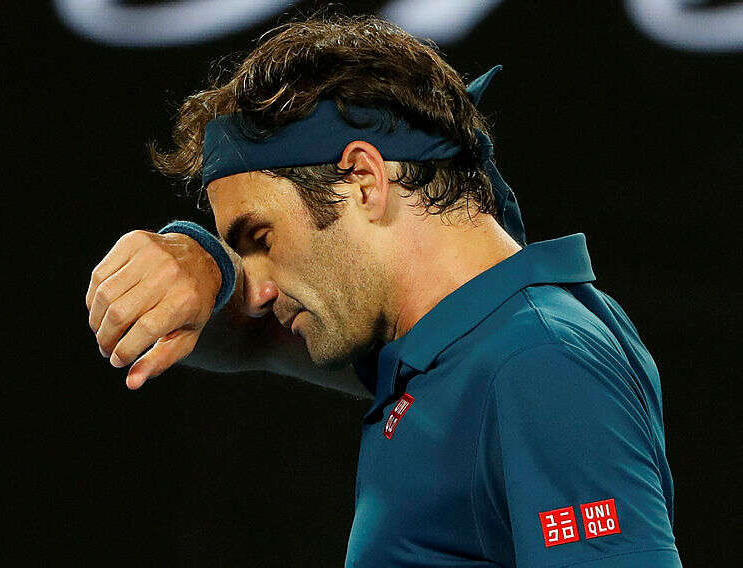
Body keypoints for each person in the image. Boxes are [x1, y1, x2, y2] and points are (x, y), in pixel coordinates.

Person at [85, 14, 681, 567]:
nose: (259, 290)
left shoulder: (537, 363)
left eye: (261, 237)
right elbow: (242, 338)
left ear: (365, 181)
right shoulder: (465, 344)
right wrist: (207, 262)